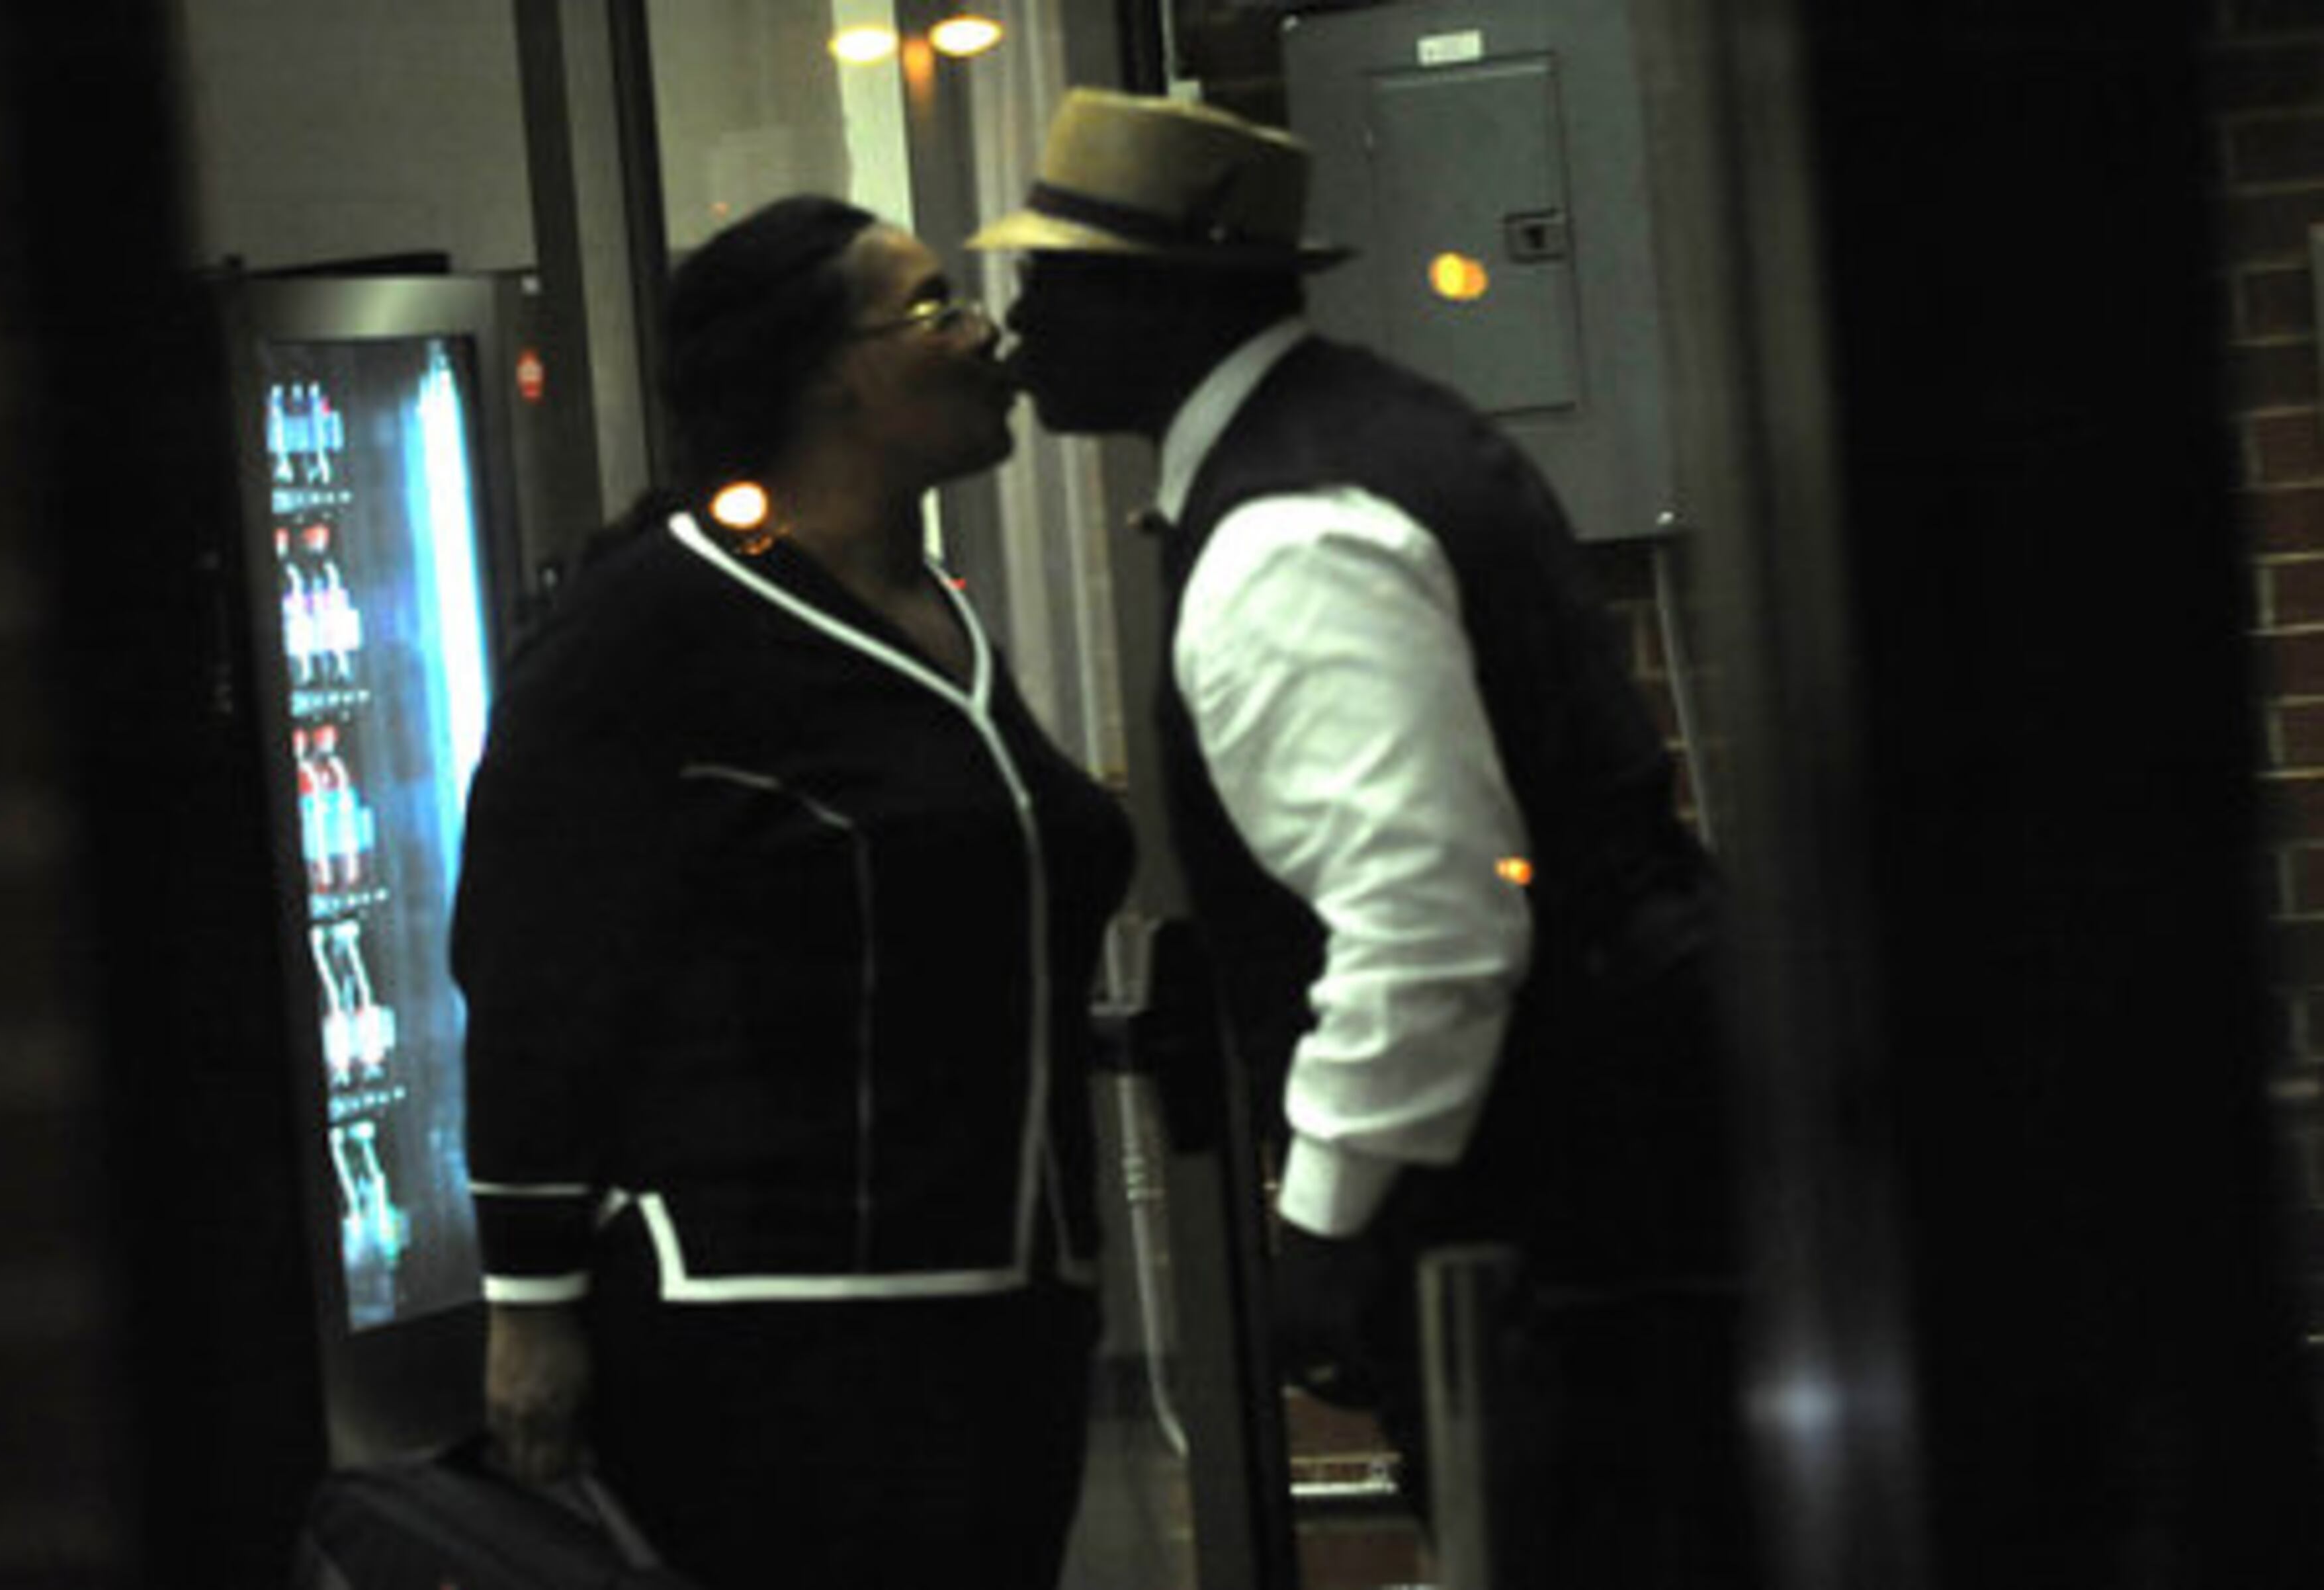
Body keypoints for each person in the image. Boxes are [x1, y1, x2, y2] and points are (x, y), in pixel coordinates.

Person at [972, 89, 1754, 1585]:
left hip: (1554, 1196)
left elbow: (1429, 916)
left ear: (1157, 300)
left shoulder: (1287, 535)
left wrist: (1325, 1214)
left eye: (1051, 278)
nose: (1018, 325)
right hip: (1624, 1145)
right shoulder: (1370, 426)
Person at [451, 194, 1134, 1590]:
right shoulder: (654, 621)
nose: (984, 328)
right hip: (777, 1331)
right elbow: (533, 970)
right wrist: (531, 1300)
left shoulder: (933, 604)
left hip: (1006, 1316)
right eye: (937, 304)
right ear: (829, 373)